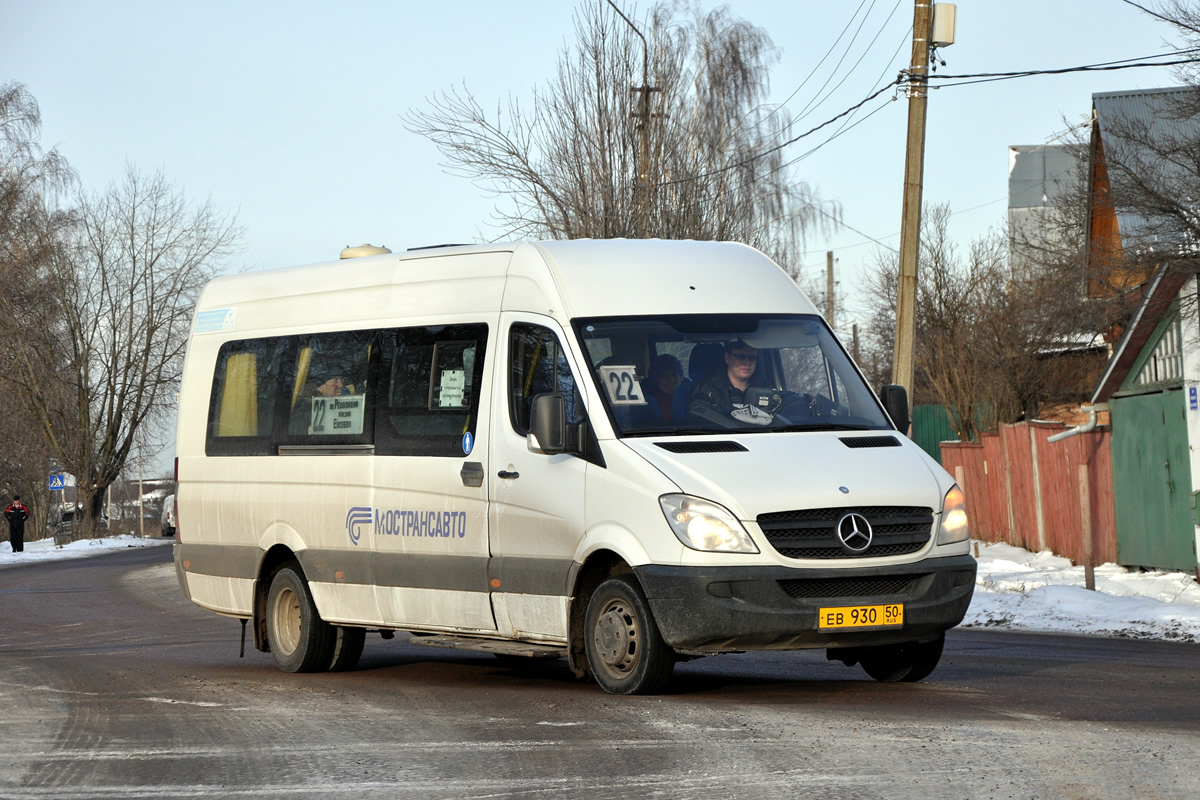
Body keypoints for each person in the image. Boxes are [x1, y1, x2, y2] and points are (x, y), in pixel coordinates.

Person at [688, 339, 774, 426]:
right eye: (740, 357)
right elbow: (699, 423)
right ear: (727, 358)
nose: (747, 363)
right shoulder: (706, 390)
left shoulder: (767, 388)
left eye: (752, 358)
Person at [638, 354, 689, 424]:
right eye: (664, 376)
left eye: (674, 374)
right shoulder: (646, 403)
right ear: (655, 380)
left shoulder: (692, 397)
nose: (671, 380)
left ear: (681, 377)